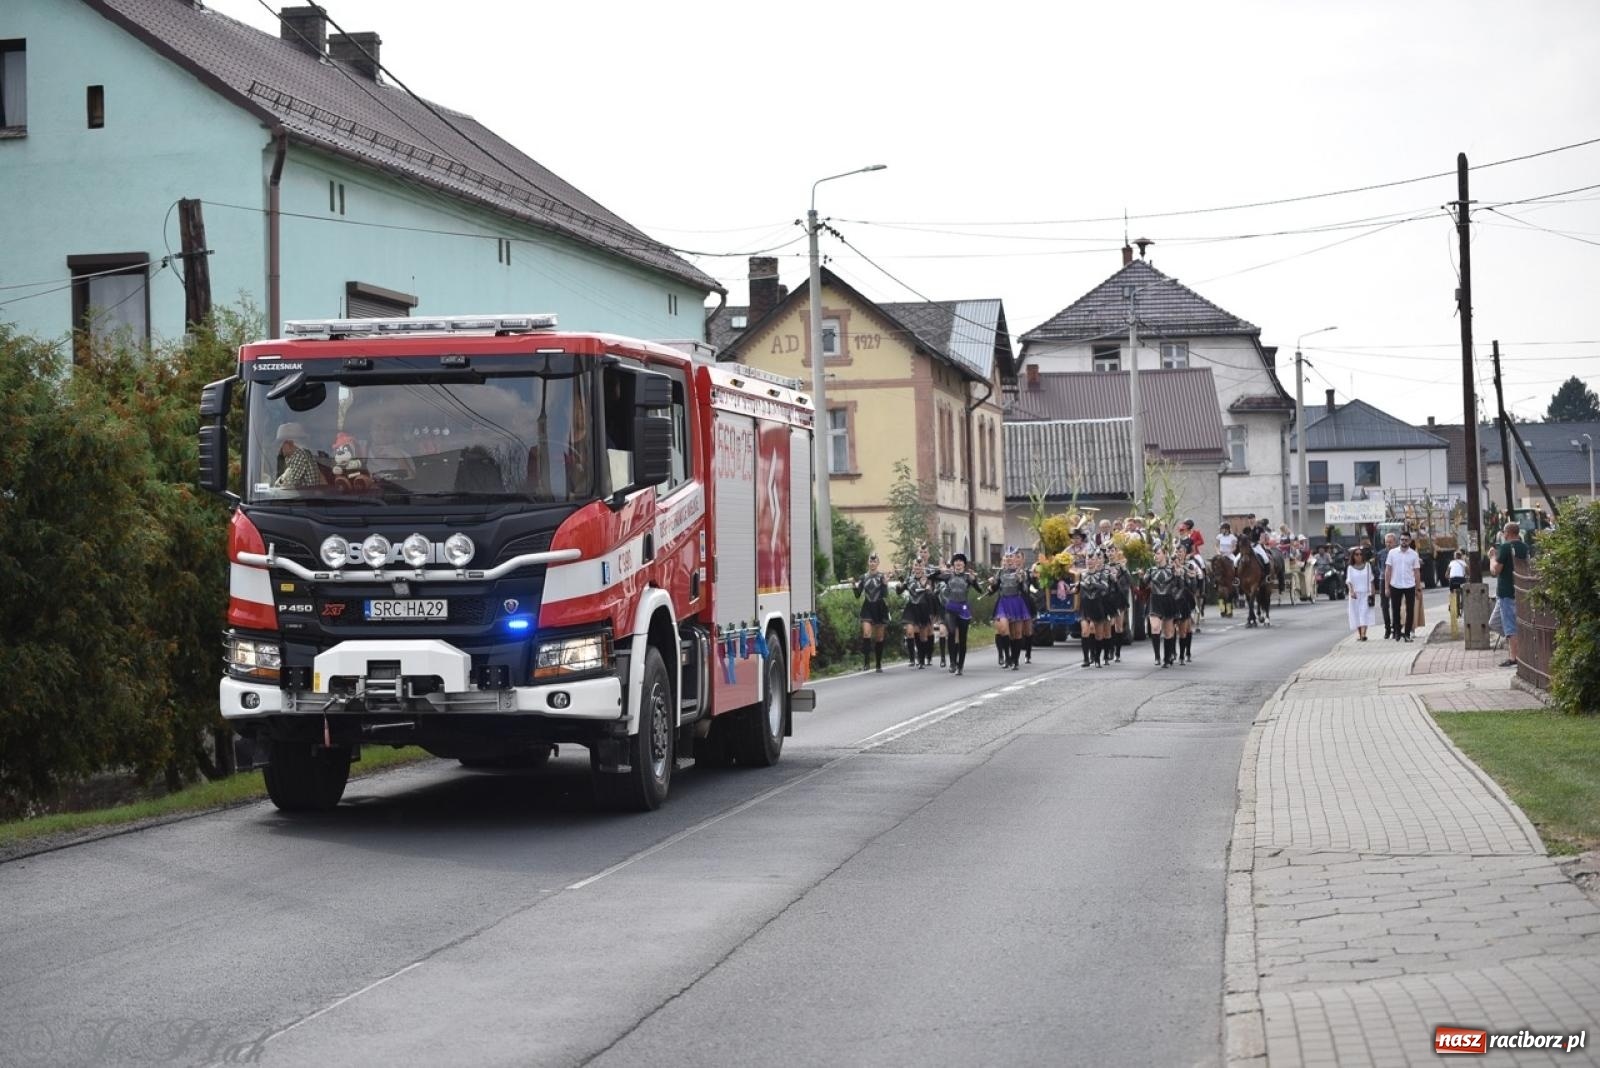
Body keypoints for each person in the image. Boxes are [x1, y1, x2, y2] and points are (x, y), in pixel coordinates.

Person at [1489, 521, 1529, 668]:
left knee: (1510, 626)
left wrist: (1492, 557)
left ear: (1508, 533)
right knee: (1495, 622)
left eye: (1504, 532)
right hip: (1518, 589)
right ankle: (1517, 645)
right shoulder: (1524, 547)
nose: (1503, 535)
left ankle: (1514, 657)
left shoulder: (1506, 547)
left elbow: (1495, 571)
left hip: (1506, 591)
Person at [853, 553, 890, 671]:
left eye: (875, 562)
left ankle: (878, 664)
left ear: (878, 563)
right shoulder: (863, 577)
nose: (872, 563)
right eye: (870, 561)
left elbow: (885, 595)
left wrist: (885, 584)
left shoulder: (881, 576)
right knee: (866, 633)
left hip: (879, 607)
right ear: (868, 563)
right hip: (867, 607)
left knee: (879, 637)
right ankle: (866, 662)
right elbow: (858, 595)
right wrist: (854, 585)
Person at [940, 553, 975, 675]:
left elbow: (979, 589)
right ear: (953, 564)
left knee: (962, 638)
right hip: (951, 608)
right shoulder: (948, 576)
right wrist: (941, 570)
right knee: (951, 633)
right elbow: (933, 577)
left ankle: (960, 665)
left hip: (963, 608)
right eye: (956, 561)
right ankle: (952, 663)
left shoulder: (967, 577)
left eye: (961, 561)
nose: (958, 563)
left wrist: (973, 579)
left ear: (964, 564)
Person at [1385, 532, 1422, 642]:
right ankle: (1397, 632)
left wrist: (1418, 588)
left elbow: (1416, 572)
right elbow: (1388, 570)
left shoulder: (1414, 554)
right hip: (1395, 584)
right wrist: (1386, 587)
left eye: (1406, 540)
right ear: (1399, 541)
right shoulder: (1392, 553)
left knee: (1410, 610)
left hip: (1409, 585)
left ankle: (1407, 634)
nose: (1403, 542)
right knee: (1395, 610)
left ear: (1410, 541)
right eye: (1402, 539)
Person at [900, 562, 937, 669]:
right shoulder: (909, 579)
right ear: (913, 567)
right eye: (916, 566)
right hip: (911, 608)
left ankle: (922, 659)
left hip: (923, 608)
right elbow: (900, 590)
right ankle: (912, 659)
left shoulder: (926, 579)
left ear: (923, 567)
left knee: (923, 636)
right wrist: (900, 585)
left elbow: (930, 595)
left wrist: (926, 586)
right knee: (910, 631)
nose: (918, 568)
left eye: (920, 566)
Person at [272, 422, 325, 489]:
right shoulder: (295, 455)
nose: (280, 447)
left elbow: (288, 482)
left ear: (290, 443)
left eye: (281, 443)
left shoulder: (300, 454)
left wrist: (276, 483)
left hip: (306, 497)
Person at [1346, 547, 1375, 641]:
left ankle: (1363, 634)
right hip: (1355, 595)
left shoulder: (1367, 566)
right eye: (1356, 554)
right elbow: (1349, 581)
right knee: (1356, 614)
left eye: (1360, 554)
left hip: (1365, 593)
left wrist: (1373, 592)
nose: (1359, 556)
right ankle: (1360, 633)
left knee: (1364, 613)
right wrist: (1351, 591)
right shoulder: (1350, 568)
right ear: (1353, 556)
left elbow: (1371, 579)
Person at [1375, 532, 1398, 639]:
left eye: (1390, 542)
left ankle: (1395, 628)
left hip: (1395, 580)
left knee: (1395, 605)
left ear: (1395, 542)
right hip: (1383, 580)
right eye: (1386, 542)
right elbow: (1379, 567)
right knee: (1384, 606)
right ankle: (1387, 628)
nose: (1388, 544)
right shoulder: (1380, 554)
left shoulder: (1398, 553)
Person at [1446, 549, 1468, 619]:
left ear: (1454, 557)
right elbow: (1468, 572)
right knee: (1463, 593)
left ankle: (1452, 605)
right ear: (1461, 556)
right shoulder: (1463, 563)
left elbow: (1446, 575)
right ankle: (1463, 604)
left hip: (1452, 580)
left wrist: (1449, 578)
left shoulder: (1451, 563)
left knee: (1452, 593)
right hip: (1461, 580)